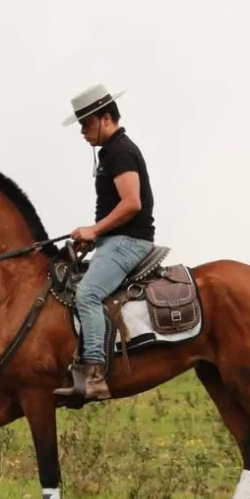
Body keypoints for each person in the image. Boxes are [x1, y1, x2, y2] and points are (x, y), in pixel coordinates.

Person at [53, 84, 155, 401]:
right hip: (116, 240)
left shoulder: (121, 151)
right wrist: (93, 239)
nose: (83, 132)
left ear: (106, 118)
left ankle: (95, 376)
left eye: (86, 124)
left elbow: (132, 203)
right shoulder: (111, 153)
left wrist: (95, 231)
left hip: (130, 242)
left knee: (88, 294)